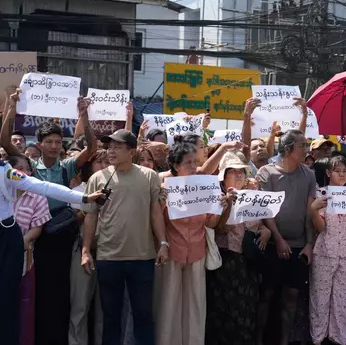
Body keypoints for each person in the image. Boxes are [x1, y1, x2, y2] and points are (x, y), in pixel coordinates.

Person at [1, 90, 96, 345]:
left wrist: (84, 116)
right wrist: (12, 107)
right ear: (39, 144)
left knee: (60, 291)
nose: (54, 146)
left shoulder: (67, 166)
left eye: (58, 141)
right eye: (49, 141)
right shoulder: (28, 168)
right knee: (35, 292)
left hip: (61, 234)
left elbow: (92, 148)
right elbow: (5, 142)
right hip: (34, 237)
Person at [0, 160, 105, 345]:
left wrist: (83, 198)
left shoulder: (5, 170)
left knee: (7, 300)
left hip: (6, 235)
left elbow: (42, 186)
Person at [81, 129, 168, 345]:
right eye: (109, 147)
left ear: (132, 151)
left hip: (142, 257)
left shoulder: (149, 176)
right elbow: (91, 217)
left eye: (117, 147)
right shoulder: (97, 178)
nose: (111, 151)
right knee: (111, 318)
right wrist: (85, 250)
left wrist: (163, 243)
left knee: (143, 316)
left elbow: (155, 212)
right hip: (108, 258)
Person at [155, 139, 224, 345]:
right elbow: (156, 222)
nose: (195, 167)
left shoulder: (205, 187)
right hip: (171, 254)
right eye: (189, 163)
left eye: (195, 162)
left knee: (195, 304)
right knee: (168, 304)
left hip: (197, 252)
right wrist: (159, 201)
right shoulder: (164, 190)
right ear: (176, 166)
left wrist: (221, 207)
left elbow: (211, 222)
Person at [255, 129, 316, 345]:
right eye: (302, 145)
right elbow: (265, 210)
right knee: (267, 295)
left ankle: (284, 341)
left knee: (291, 297)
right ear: (288, 148)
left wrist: (309, 243)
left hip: (299, 246)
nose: (306, 150)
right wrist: (279, 239)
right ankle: (259, 340)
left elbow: (310, 212)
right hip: (271, 245)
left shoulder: (309, 174)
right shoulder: (266, 172)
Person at [205, 150, 270, 345]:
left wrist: (266, 231)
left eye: (242, 171)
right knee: (224, 308)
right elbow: (219, 228)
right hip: (226, 260)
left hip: (249, 261)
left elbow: (261, 223)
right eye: (233, 172)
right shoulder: (216, 196)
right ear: (223, 177)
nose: (239, 175)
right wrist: (227, 206)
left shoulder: (254, 194)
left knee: (247, 307)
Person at [308, 155, 346, 345]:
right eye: (337, 171)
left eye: (345, 171)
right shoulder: (320, 193)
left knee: (343, 298)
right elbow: (320, 228)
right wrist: (314, 210)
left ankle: (339, 338)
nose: (342, 174)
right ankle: (318, 338)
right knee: (320, 298)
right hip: (324, 250)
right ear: (329, 173)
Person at [9, 155, 52, 345]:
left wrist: (18, 244)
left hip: (24, 261)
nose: (23, 173)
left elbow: (37, 229)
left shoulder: (37, 196)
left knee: (24, 308)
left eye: (27, 169)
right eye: (18, 169)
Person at [68, 150, 110, 345]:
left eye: (107, 162)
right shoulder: (77, 191)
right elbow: (74, 222)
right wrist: (90, 206)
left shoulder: (118, 188)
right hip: (82, 252)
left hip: (109, 253)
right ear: (89, 166)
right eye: (99, 162)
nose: (103, 166)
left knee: (105, 308)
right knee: (80, 306)